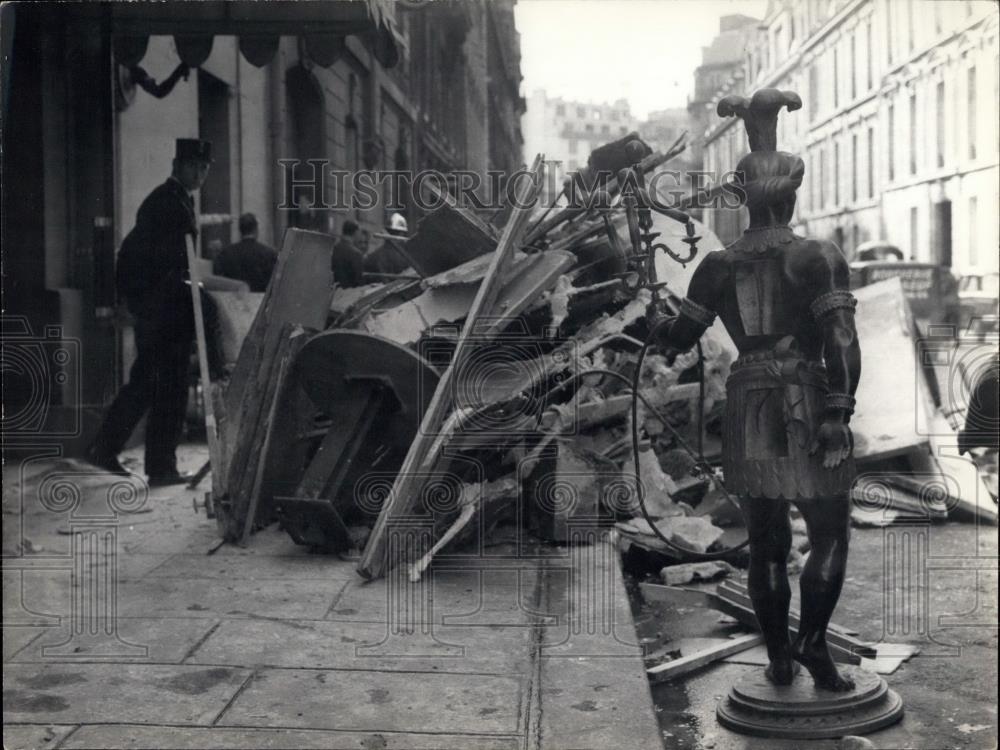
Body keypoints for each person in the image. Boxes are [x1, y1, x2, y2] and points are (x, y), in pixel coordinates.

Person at [653, 89, 861, 692]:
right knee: (828, 533)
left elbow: (676, 336)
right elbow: (842, 339)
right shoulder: (817, 257)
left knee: (766, 541)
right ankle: (813, 647)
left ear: (742, 198)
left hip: (747, 404)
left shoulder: (716, 266)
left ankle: (778, 658)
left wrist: (653, 311)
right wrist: (839, 411)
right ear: (791, 194)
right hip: (804, 397)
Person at [86, 138, 212, 486]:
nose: (200, 174)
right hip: (164, 315)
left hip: (166, 313)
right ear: (178, 165)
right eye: (194, 166)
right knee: (165, 388)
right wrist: (144, 303)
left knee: (151, 386)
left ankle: (117, 452)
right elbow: (134, 256)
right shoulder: (165, 203)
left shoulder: (175, 201)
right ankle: (155, 466)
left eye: (205, 168)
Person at [212, 213, 277, 292]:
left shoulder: (226, 253)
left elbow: (219, 280)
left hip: (233, 301)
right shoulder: (269, 254)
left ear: (240, 229)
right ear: (256, 229)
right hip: (259, 301)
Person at [331, 219, 365, 287]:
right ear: (356, 232)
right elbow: (358, 281)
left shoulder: (333, 249)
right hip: (350, 294)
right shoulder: (356, 254)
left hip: (334, 293)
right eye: (359, 233)